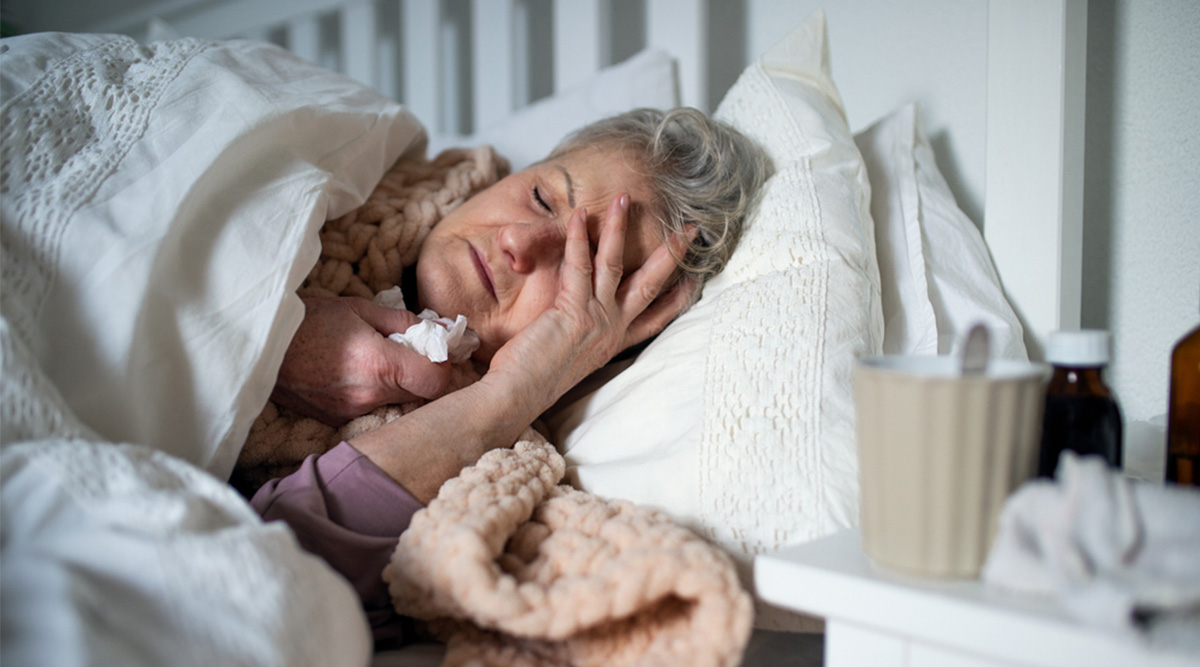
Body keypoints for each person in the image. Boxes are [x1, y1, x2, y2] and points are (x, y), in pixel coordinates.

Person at [249, 107, 770, 645]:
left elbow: (265, 575)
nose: (519, 243)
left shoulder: (497, 495)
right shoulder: (327, 178)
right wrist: (268, 336)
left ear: (603, 344)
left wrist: (511, 393)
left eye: (581, 266)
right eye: (542, 197)